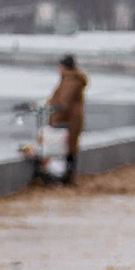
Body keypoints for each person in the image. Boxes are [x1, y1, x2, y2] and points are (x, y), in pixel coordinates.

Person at [42, 54, 87, 183]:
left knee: (66, 147)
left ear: (63, 67)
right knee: (69, 147)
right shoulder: (70, 78)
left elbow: (63, 102)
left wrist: (54, 114)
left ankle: (66, 177)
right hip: (72, 118)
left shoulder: (71, 80)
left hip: (67, 119)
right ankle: (67, 175)